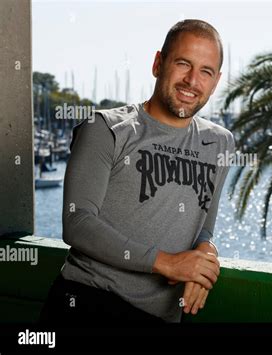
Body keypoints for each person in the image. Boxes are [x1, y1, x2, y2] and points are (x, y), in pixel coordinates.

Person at [40, 19, 234, 325]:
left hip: (163, 317)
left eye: (205, 71)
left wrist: (205, 256)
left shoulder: (220, 143)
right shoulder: (106, 128)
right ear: (158, 63)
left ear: (216, 80)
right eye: (183, 63)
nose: (192, 80)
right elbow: (77, 223)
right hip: (87, 304)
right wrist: (167, 264)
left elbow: (203, 227)